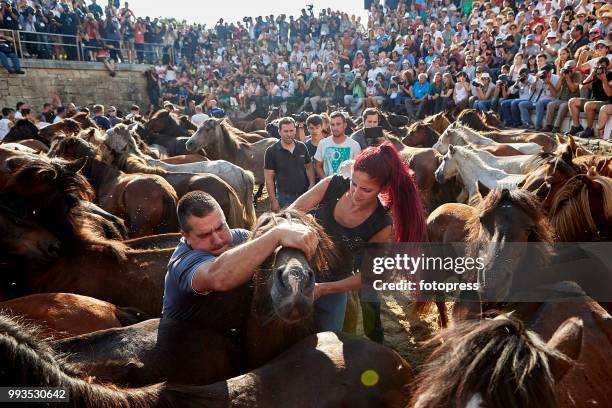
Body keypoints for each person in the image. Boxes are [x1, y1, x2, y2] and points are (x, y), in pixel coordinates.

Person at [289, 142, 427, 342]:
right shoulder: (332, 184)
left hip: (333, 284)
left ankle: (375, 338)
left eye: (366, 190)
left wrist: (325, 289)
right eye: (354, 183)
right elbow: (291, 212)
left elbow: (368, 275)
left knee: (328, 340)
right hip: (299, 268)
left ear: (383, 188)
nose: (356, 193)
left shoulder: (381, 224)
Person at [162, 191, 318, 333]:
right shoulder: (183, 263)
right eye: (204, 235)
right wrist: (277, 234)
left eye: (220, 227)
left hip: (230, 336)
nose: (217, 239)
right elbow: (218, 276)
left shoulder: (240, 237)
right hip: (187, 347)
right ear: (185, 236)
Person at [264, 117, 315, 210]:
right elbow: (269, 179)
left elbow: (309, 166)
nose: (289, 134)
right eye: (285, 131)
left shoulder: (302, 147)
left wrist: (312, 183)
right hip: (285, 198)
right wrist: (273, 201)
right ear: (279, 132)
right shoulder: (271, 151)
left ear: (295, 130)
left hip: (304, 196)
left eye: (291, 131)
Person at [567, 57, 612, 137]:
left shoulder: (611, 75)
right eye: (599, 66)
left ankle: (589, 129)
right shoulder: (595, 74)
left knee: (589, 104)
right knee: (572, 101)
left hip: (607, 101)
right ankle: (576, 126)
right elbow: (582, 87)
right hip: (595, 100)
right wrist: (592, 74)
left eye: (603, 67)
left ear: (607, 67)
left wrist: (603, 79)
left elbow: (609, 93)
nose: (601, 69)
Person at [313, 111, 362, 179]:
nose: (335, 128)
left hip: (347, 187)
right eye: (332, 125)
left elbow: (357, 170)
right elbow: (318, 166)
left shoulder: (354, 145)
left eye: (338, 124)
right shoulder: (323, 143)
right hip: (327, 186)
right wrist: (327, 182)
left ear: (345, 125)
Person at [543, 60, 582, 133]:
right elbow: (556, 89)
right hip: (562, 99)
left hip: (572, 101)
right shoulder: (564, 75)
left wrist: (567, 77)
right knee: (550, 104)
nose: (569, 70)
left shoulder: (577, 75)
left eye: (571, 68)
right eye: (568, 68)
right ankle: (548, 125)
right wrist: (561, 77)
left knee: (563, 106)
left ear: (575, 68)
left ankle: (556, 127)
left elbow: (573, 89)